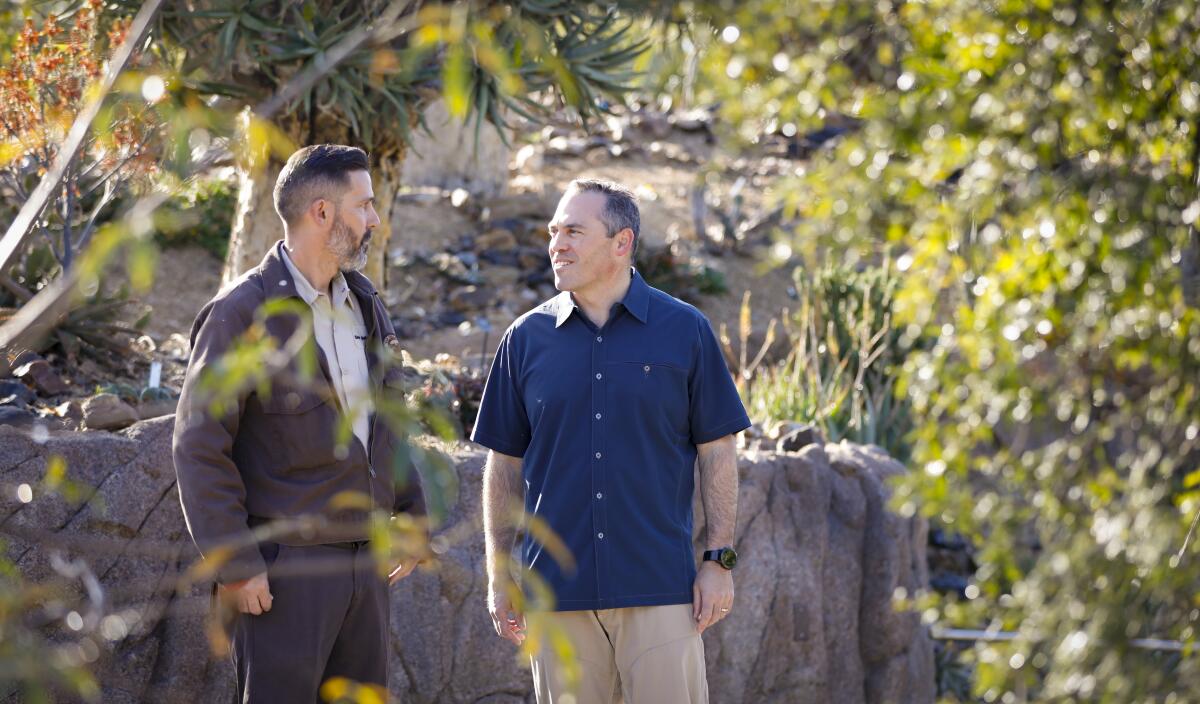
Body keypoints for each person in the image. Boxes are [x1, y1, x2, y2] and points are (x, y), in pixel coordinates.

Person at [472, 178, 750, 703]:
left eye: (574, 230)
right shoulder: (524, 341)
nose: (557, 244)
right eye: (554, 231)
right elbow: (503, 464)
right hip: (556, 597)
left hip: (660, 590)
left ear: (621, 243)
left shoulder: (684, 330)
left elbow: (718, 451)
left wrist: (719, 561)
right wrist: (497, 572)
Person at [172, 144, 425, 702]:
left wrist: (411, 512)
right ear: (322, 214)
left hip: (368, 564)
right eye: (364, 205)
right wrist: (235, 562)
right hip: (285, 574)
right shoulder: (241, 313)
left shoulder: (365, 304)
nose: (375, 220)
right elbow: (199, 445)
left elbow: (387, 420)